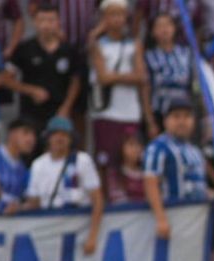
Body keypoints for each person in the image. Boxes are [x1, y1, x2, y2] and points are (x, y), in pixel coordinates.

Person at [24, 116, 104, 254]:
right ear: (48, 138)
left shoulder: (82, 161)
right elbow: (34, 203)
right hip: (48, 232)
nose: (59, 138)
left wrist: (93, 236)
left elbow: (97, 199)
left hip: (78, 231)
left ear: (71, 138)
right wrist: (17, 208)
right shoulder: (38, 165)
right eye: (55, 134)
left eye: (64, 134)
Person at [89, 0, 146, 176]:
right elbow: (103, 78)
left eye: (120, 15)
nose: (117, 19)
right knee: (106, 162)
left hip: (130, 112)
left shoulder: (134, 44)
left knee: (131, 160)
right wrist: (129, 76)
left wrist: (115, 76)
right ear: (104, 18)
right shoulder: (98, 44)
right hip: (106, 113)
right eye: (112, 15)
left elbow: (141, 77)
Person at [143, 96, 207, 240]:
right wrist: (161, 219)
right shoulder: (158, 148)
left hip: (196, 219)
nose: (182, 122)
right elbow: (151, 183)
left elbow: (195, 184)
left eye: (187, 117)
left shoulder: (195, 151)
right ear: (166, 120)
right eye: (176, 117)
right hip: (174, 218)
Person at [10, 4, 82, 128]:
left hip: (59, 113)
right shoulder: (24, 49)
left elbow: (76, 80)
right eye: (42, 20)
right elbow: (6, 78)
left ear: (58, 22)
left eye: (51, 20)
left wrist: (66, 107)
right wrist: (31, 90)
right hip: (30, 113)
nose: (46, 25)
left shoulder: (69, 50)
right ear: (34, 22)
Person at [143, 12, 192, 137]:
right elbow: (145, 89)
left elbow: (193, 85)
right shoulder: (148, 56)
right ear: (153, 31)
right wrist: (150, 121)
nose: (164, 29)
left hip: (183, 111)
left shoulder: (186, 54)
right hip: (159, 111)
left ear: (174, 28)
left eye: (168, 25)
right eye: (159, 26)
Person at [0, 119, 34, 214]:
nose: (31, 139)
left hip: (9, 225)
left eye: (34, 135)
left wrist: (18, 207)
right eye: (26, 132)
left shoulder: (24, 169)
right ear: (12, 134)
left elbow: (31, 202)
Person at [106, 132, 146, 204]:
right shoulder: (115, 174)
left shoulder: (147, 172)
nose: (137, 149)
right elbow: (118, 202)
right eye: (131, 144)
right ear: (121, 148)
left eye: (139, 145)